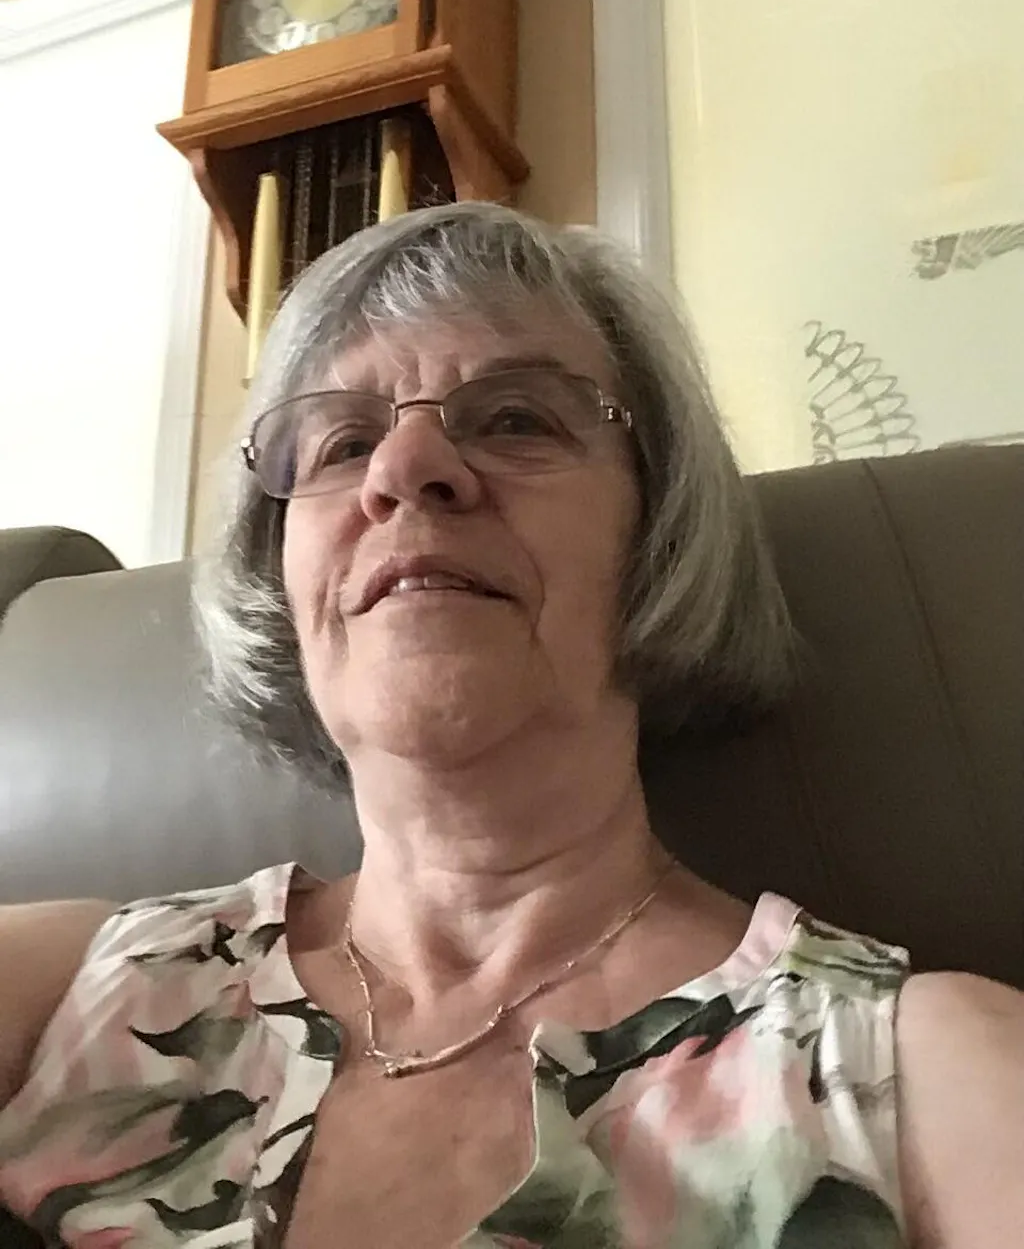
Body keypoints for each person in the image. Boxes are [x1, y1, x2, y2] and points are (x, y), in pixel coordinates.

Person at [0, 203, 1020, 1249]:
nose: (405, 469)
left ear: (657, 531)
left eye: (518, 420)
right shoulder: (73, 983)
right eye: (344, 441)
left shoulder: (920, 1079)